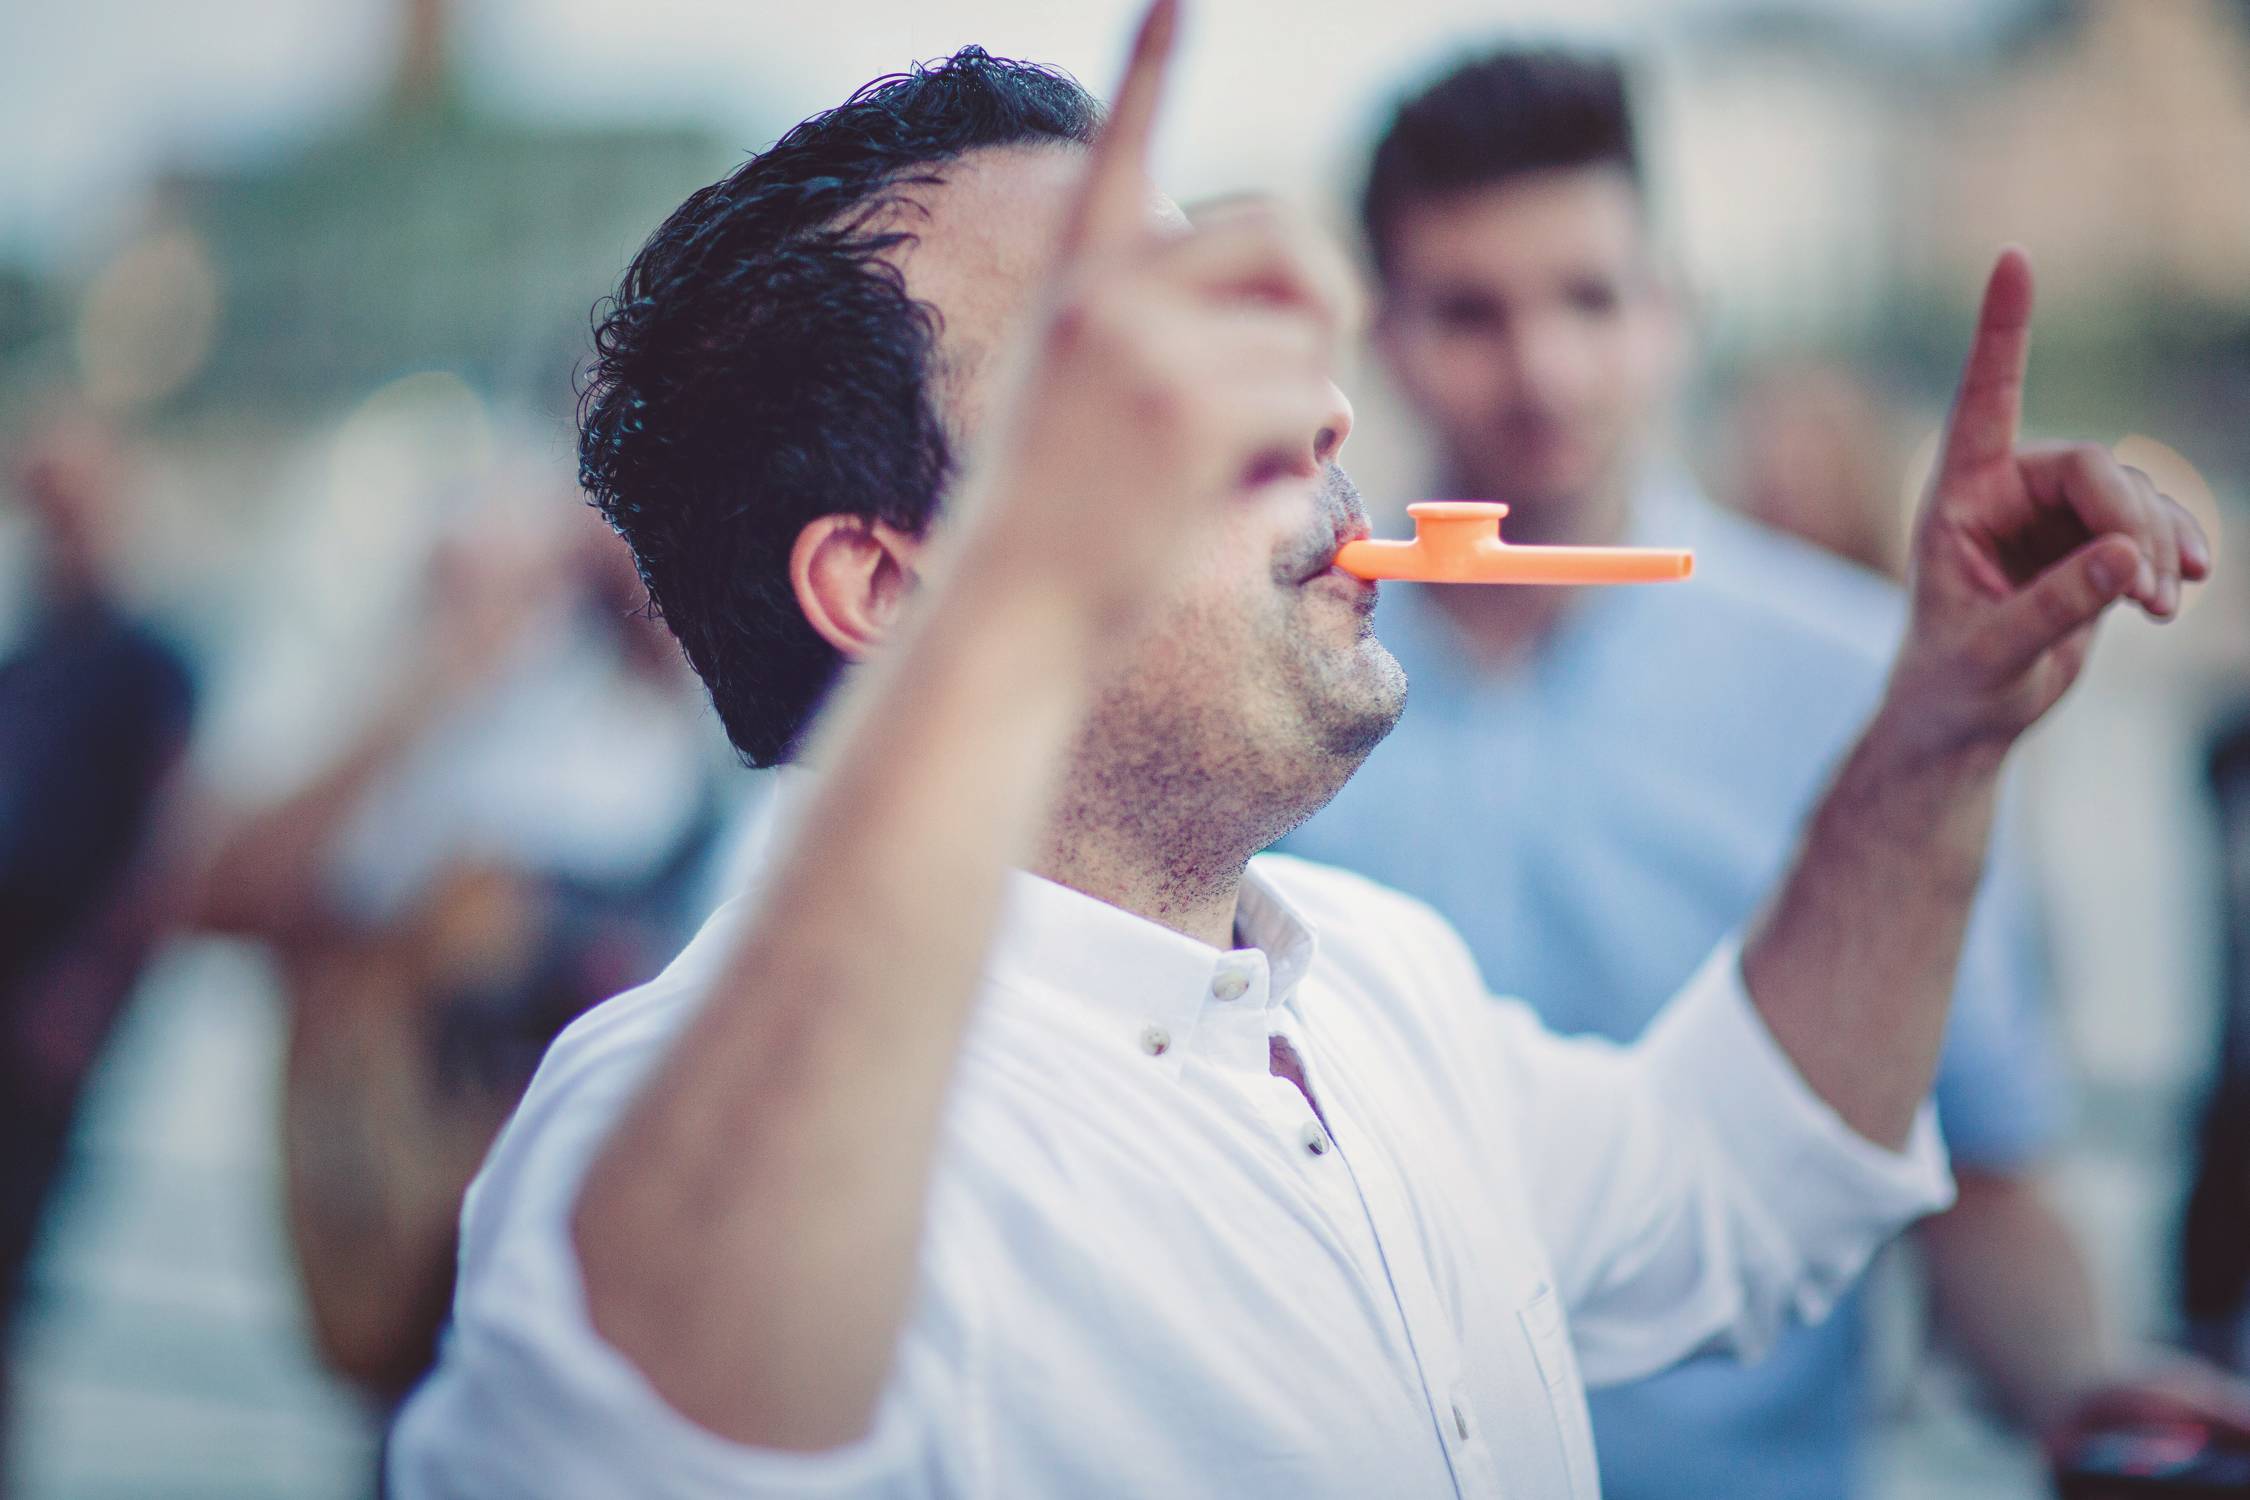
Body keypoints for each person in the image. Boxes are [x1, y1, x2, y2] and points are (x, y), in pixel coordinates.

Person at [390, 10, 2218, 1496]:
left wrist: (1940, 728)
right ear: (889, 582)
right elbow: (628, 1440)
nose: (1323, 410)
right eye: (1139, 381)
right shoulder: (661, 1115)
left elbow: (1738, 1175)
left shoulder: (1379, 982)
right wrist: (1019, 610)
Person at [1276, 48, 2234, 1497]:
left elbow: (1974, 1161)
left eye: (1590, 299)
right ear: (1383, 332)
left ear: (1674, 309)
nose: (1542, 370)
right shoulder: (1273, 677)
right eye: (1471, 311)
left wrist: (2089, 1398)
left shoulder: (1873, 683)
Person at [189, 503, 720, 1402]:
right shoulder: (440, 641)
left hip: (604, 1291)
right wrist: (443, 667)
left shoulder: (716, 732)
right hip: (416, 1257)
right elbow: (226, 894)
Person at [0, 413, 196, 1481]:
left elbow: (171, 841)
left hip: (50, 993)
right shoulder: (36, 648)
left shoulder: (146, 657)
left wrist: (90, 985)